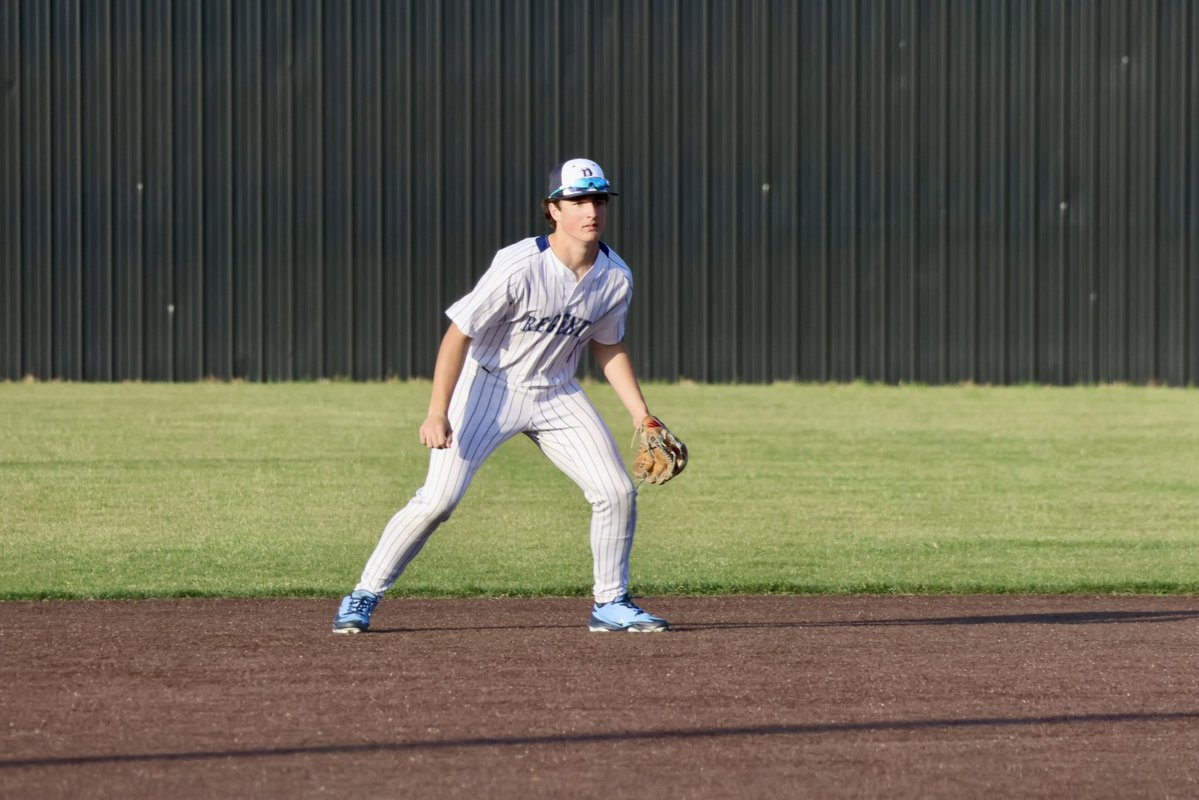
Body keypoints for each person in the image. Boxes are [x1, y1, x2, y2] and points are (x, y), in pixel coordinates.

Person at [332, 158, 670, 634]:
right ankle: (363, 595)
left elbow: (608, 344)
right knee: (438, 501)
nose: (590, 209)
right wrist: (437, 411)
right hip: (488, 384)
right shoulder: (518, 264)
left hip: (557, 393)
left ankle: (610, 603)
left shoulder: (615, 277)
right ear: (553, 209)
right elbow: (459, 334)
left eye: (597, 199)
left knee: (615, 490)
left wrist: (643, 415)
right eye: (577, 200)